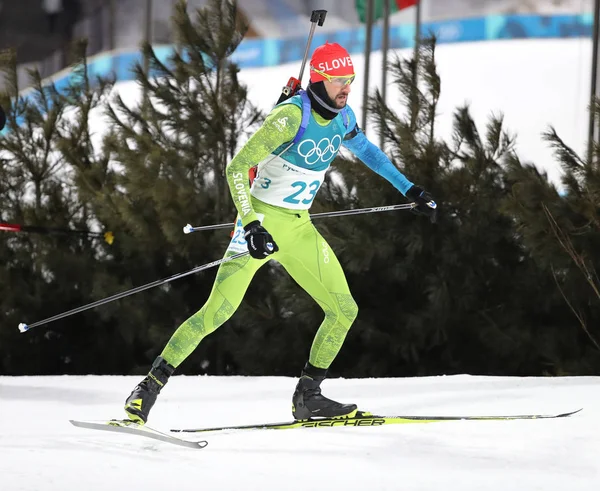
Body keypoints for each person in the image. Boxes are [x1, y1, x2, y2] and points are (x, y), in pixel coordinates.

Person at [124, 42, 437, 424]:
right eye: (339, 80)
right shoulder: (291, 117)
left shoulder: (342, 117)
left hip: (298, 227)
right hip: (259, 224)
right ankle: (146, 390)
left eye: (349, 80)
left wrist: (409, 188)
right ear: (319, 79)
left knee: (343, 310)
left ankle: (309, 397)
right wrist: (251, 224)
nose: (346, 88)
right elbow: (237, 169)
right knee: (216, 313)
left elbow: (369, 151)